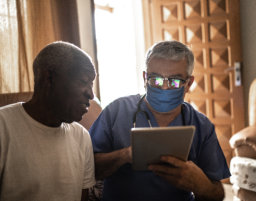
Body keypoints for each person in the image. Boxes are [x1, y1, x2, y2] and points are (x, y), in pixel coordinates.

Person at [90, 40, 231, 201]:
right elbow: (89, 169)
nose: (164, 88)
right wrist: (126, 155)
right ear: (144, 78)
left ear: (188, 84)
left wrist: (200, 184)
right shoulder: (116, 112)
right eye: (155, 80)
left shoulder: (201, 125)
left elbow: (218, 193)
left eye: (175, 81)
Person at [0, 41, 96, 201]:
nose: (91, 94)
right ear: (49, 78)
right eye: (83, 82)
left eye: (92, 85)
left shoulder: (81, 137)